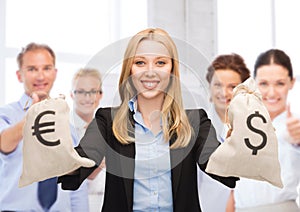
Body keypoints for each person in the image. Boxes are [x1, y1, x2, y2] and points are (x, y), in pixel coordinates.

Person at [58, 28, 238, 212]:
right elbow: (80, 164)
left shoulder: (195, 121)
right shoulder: (107, 121)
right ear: (129, 69)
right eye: (140, 62)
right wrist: (52, 149)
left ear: (172, 69)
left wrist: (236, 145)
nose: (150, 72)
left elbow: (221, 168)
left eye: (160, 62)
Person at [0, 42, 89, 211]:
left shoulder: (67, 126)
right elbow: (3, 143)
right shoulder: (6, 115)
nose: (40, 76)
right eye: (32, 69)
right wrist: (31, 118)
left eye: (46, 68)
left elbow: (77, 182)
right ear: (20, 75)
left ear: (55, 73)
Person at [229, 49, 300, 211]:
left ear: (292, 82)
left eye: (280, 83)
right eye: (264, 84)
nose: (272, 92)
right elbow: (234, 188)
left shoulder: (295, 124)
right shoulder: (239, 124)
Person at [198, 53, 250, 212]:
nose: (224, 93)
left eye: (232, 87)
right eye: (218, 85)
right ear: (209, 86)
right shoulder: (196, 128)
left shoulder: (254, 128)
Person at [70, 68, 106, 212]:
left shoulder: (105, 128)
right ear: (72, 95)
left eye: (92, 91)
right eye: (81, 91)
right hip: (77, 203)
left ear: (100, 95)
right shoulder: (65, 130)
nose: (87, 97)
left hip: (104, 201)